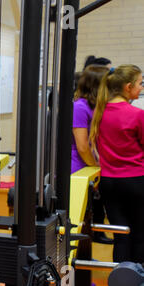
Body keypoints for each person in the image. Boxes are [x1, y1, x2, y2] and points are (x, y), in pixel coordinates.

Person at [89, 64, 144, 262]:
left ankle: (121, 284)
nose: (141, 87)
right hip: (136, 181)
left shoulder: (99, 113)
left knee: (121, 235)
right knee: (139, 235)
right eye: (140, 83)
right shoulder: (137, 114)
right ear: (128, 87)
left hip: (109, 183)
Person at [72, 64, 113, 244]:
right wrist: (96, 167)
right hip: (79, 167)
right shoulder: (79, 107)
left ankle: (84, 260)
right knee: (79, 221)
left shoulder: (96, 106)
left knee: (89, 218)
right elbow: (82, 146)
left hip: (91, 165)